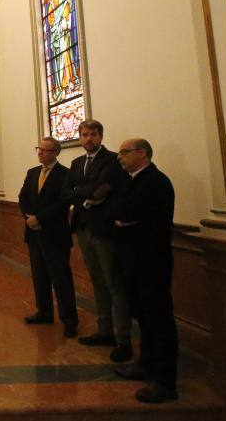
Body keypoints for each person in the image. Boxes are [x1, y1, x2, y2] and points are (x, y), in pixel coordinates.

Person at [112, 138, 179, 403]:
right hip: (133, 260)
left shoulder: (156, 181)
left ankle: (165, 381)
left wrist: (125, 218)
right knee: (144, 316)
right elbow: (117, 211)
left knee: (158, 319)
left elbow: (134, 213)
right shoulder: (130, 180)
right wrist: (123, 218)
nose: (119, 157)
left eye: (124, 152)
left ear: (142, 153)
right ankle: (146, 364)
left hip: (151, 261)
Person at [62, 119, 132, 362]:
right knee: (97, 280)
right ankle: (104, 331)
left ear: (101, 136)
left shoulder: (112, 160)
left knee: (114, 282)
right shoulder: (77, 162)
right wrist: (86, 194)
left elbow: (103, 189)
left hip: (104, 228)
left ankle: (123, 338)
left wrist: (84, 192)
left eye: (92, 134)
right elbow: (66, 192)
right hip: (83, 226)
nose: (88, 139)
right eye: (84, 134)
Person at [18, 137, 79, 337]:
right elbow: (23, 197)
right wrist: (28, 218)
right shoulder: (33, 172)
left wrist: (40, 219)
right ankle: (44, 311)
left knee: (61, 278)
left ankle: (69, 319)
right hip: (33, 233)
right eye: (39, 148)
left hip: (54, 233)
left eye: (45, 150)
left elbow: (63, 203)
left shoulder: (65, 174)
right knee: (39, 275)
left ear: (55, 153)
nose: (40, 153)